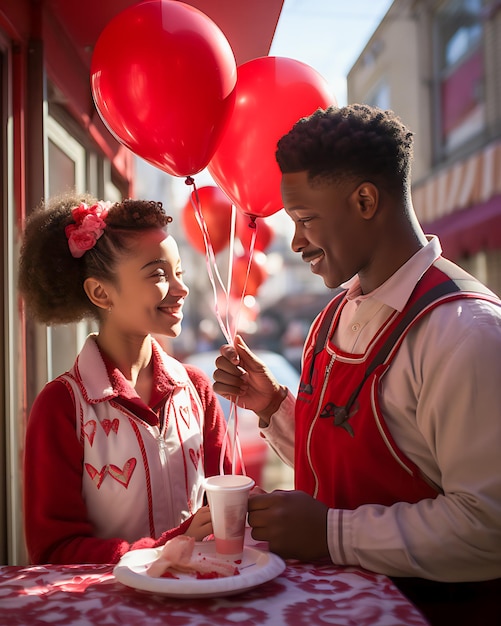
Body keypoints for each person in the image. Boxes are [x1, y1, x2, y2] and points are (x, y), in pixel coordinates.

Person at [213, 104, 501, 624]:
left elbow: (489, 526)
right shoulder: (330, 320)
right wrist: (273, 405)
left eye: (304, 220)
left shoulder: (465, 332)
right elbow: (350, 461)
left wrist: (331, 534)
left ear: (365, 200)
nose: (296, 242)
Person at [19, 194, 232, 565]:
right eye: (159, 274)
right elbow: (53, 550)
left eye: (179, 272)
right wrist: (167, 548)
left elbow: (229, 506)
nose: (180, 290)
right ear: (101, 292)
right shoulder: (63, 405)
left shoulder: (197, 390)